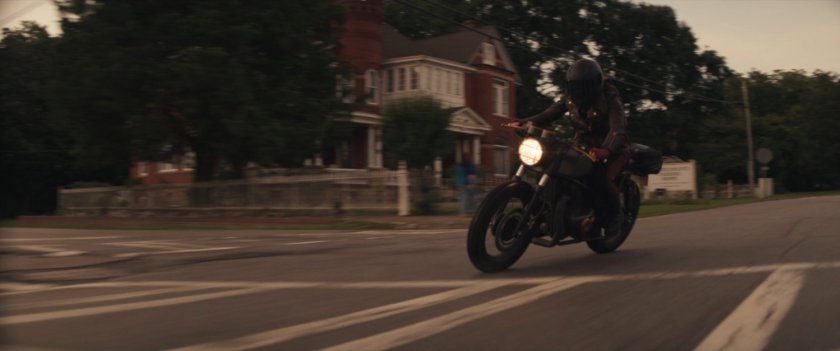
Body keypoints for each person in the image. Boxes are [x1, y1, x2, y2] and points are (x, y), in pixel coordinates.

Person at [506, 58, 629, 237]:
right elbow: (550, 113)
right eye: (577, 86)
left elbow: (618, 128)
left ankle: (615, 217)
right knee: (552, 163)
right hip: (583, 145)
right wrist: (524, 123)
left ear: (596, 83)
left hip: (613, 148)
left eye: (585, 86)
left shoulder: (610, 96)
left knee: (601, 177)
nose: (581, 91)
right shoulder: (569, 98)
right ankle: (548, 211)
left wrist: (606, 149)